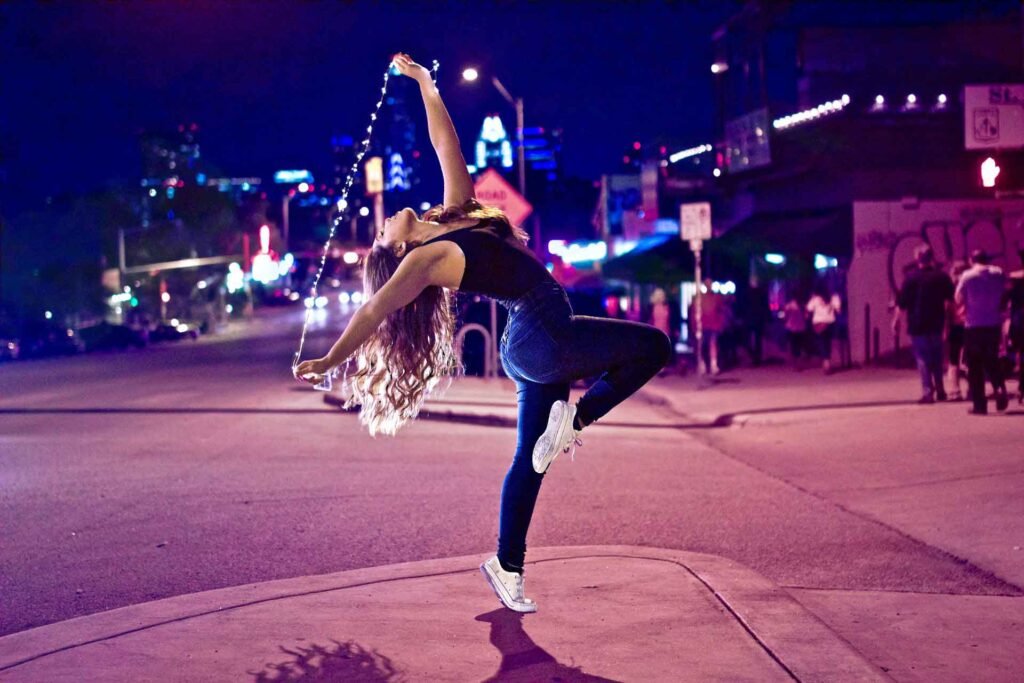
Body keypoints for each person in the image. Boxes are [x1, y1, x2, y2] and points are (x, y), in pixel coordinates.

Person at [295, 54, 671, 613]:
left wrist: (425, 84)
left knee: (530, 460)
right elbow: (373, 311)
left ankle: (507, 565)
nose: (384, 222)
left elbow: (447, 146)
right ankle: (579, 419)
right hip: (544, 327)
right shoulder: (423, 260)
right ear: (398, 248)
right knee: (655, 347)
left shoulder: (455, 217)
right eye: (381, 233)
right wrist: (329, 361)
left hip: (528, 341)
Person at [894, 245, 954, 403]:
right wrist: (948, 322)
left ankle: (928, 392)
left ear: (917, 258)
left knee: (922, 358)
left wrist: (896, 321)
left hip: (917, 323)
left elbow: (902, 303)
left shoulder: (911, 278)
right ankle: (940, 390)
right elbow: (949, 301)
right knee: (937, 357)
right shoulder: (942, 277)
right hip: (937, 322)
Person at [955, 249, 1009, 415]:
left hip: (974, 326)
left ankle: (980, 404)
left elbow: (958, 298)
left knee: (975, 366)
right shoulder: (998, 273)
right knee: (992, 360)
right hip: (993, 324)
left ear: (972, 260)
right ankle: (999, 388)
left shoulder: (968, 276)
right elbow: (1006, 291)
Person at [806, 283, 841, 373]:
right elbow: (838, 310)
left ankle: (826, 361)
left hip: (818, 323)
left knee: (821, 342)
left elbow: (808, 309)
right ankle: (827, 361)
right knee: (828, 342)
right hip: (830, 323)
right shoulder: (834, 297)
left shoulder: (815, 299)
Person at [946, 261, 969, 401]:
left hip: (955, 325)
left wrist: (945, 327)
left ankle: (955, 391)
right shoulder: (970, 285)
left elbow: (947, 308)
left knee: (953, 360)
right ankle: (973, 388)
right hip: (970, 324)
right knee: (971, 359)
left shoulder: (951, 288)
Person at [648, 287, 676, 374]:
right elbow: (649, 319)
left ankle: (664, 366)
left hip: (665, 330)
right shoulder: (651, 307)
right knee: (657, 350)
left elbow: (671, 319)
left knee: (664, 349)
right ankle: (658, 367)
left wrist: (673, 329)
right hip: (655, 331)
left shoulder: (667, 307)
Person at [783, 293, 808, 368]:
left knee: (793, 345)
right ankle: (798, 361)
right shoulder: (803, 305)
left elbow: (785, 316)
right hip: (801, 327)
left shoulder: (789, 305)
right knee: (799, 345)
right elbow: (806, 317)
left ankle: (794, 363)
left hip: (791, 327)